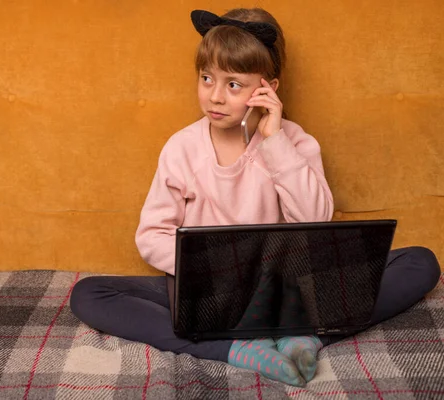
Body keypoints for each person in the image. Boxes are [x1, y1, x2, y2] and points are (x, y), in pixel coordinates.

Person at [70, 8, 441, 387]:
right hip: (210, 294)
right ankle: (235, 349)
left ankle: (305, 337)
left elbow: (314, 220)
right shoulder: (181, 148)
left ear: (268, 88)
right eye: (207, 78)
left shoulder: (294, 142)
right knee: (89, 293)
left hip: (285, 290)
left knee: (420, 262)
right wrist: (212, 271)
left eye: (234, 85)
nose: (215, 96)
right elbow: (152, 235)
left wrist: (276, 141)